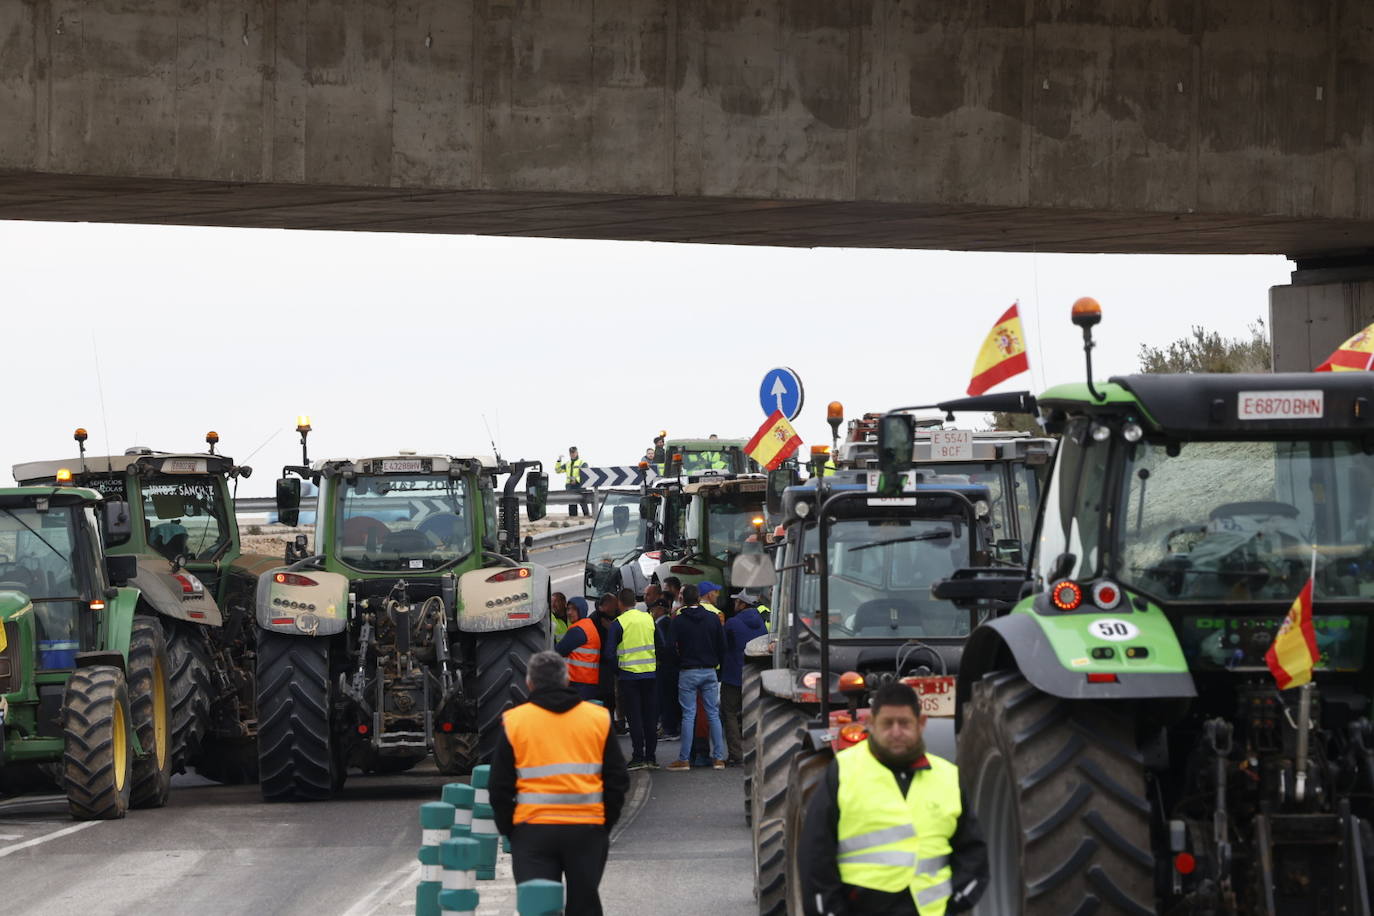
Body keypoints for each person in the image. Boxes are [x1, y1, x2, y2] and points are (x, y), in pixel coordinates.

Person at [798, 682, 988, 916]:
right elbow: (816, 857)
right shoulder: (843, 772)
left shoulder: (948, 777)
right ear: (871, 724)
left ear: (921, 724)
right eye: (887, 724)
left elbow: (973, 853)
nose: (896, 732)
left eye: (905, 723)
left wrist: (955, 902)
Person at [489, 651, 630, 916]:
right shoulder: (597, 718)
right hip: (587, 831)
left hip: (532, 832)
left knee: (539, 907)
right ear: (567, 680)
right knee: (584, 905)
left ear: (530, 683)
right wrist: (603, 823)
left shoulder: (515, 722)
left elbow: (499, 787)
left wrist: (512, 831)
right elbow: (617, 779)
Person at [666, 584, 726, 771]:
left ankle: (684, 760)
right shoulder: (712, 618)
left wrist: (679, 662)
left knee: (688, 715)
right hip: (709, 670)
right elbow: (722, 645)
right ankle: (718, 758)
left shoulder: (678, 620)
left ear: (683, 600)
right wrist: (717, 665)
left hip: (688, 671)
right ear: (699, 599)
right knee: (713, 714)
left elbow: (669, 646)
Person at [607, 587, 658, 770]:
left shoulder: (618, 623)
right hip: (650, 675)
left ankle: (638, 756)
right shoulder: (648, 619)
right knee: (650, 716)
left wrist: (618, 671)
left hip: (629, 677)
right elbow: (661, 645)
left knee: (634, 717)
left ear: (620, 603)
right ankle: (651, 757)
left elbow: (609, 654)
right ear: (635, 603)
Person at [721, 592, 769, 765]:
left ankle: (736, 754)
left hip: (733, 675)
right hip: (755, 674)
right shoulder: (761, 622)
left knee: (730, 712)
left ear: (742, 604)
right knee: (754, 712)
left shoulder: (732, 623)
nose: (734, 603)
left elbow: (723, 645)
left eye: (737, 601)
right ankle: (755, 752)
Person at [555, 594, 612, 702]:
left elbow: (558, 651)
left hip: (579, 682)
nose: (569, 613)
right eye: (568, 609)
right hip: (588, 681)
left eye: (574, 609)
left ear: (581, 611)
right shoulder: (588, 626)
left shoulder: (578, 630)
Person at [648, 586, 680, 740]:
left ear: (660, 609)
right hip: (674, 666)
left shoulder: (660, 625)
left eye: (654, 609)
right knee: (671, 697)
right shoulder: (671, 623)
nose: (652, 612)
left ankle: (669, 729)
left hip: (665, 667)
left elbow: (663, 647)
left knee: (666, 698)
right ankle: (670, 727)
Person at [555, 447, 591, 517]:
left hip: (580, 486)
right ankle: (573, 519)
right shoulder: (567, 464)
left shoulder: (582, 463)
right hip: (570, 486)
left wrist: (576, 480)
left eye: (573, 452)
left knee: (583, 503)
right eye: (571, 453)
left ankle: (587, 518)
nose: (572, 454)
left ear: (577, 453)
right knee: (571, 503)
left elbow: (586, 474)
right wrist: (559, 460)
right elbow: (558, 470)